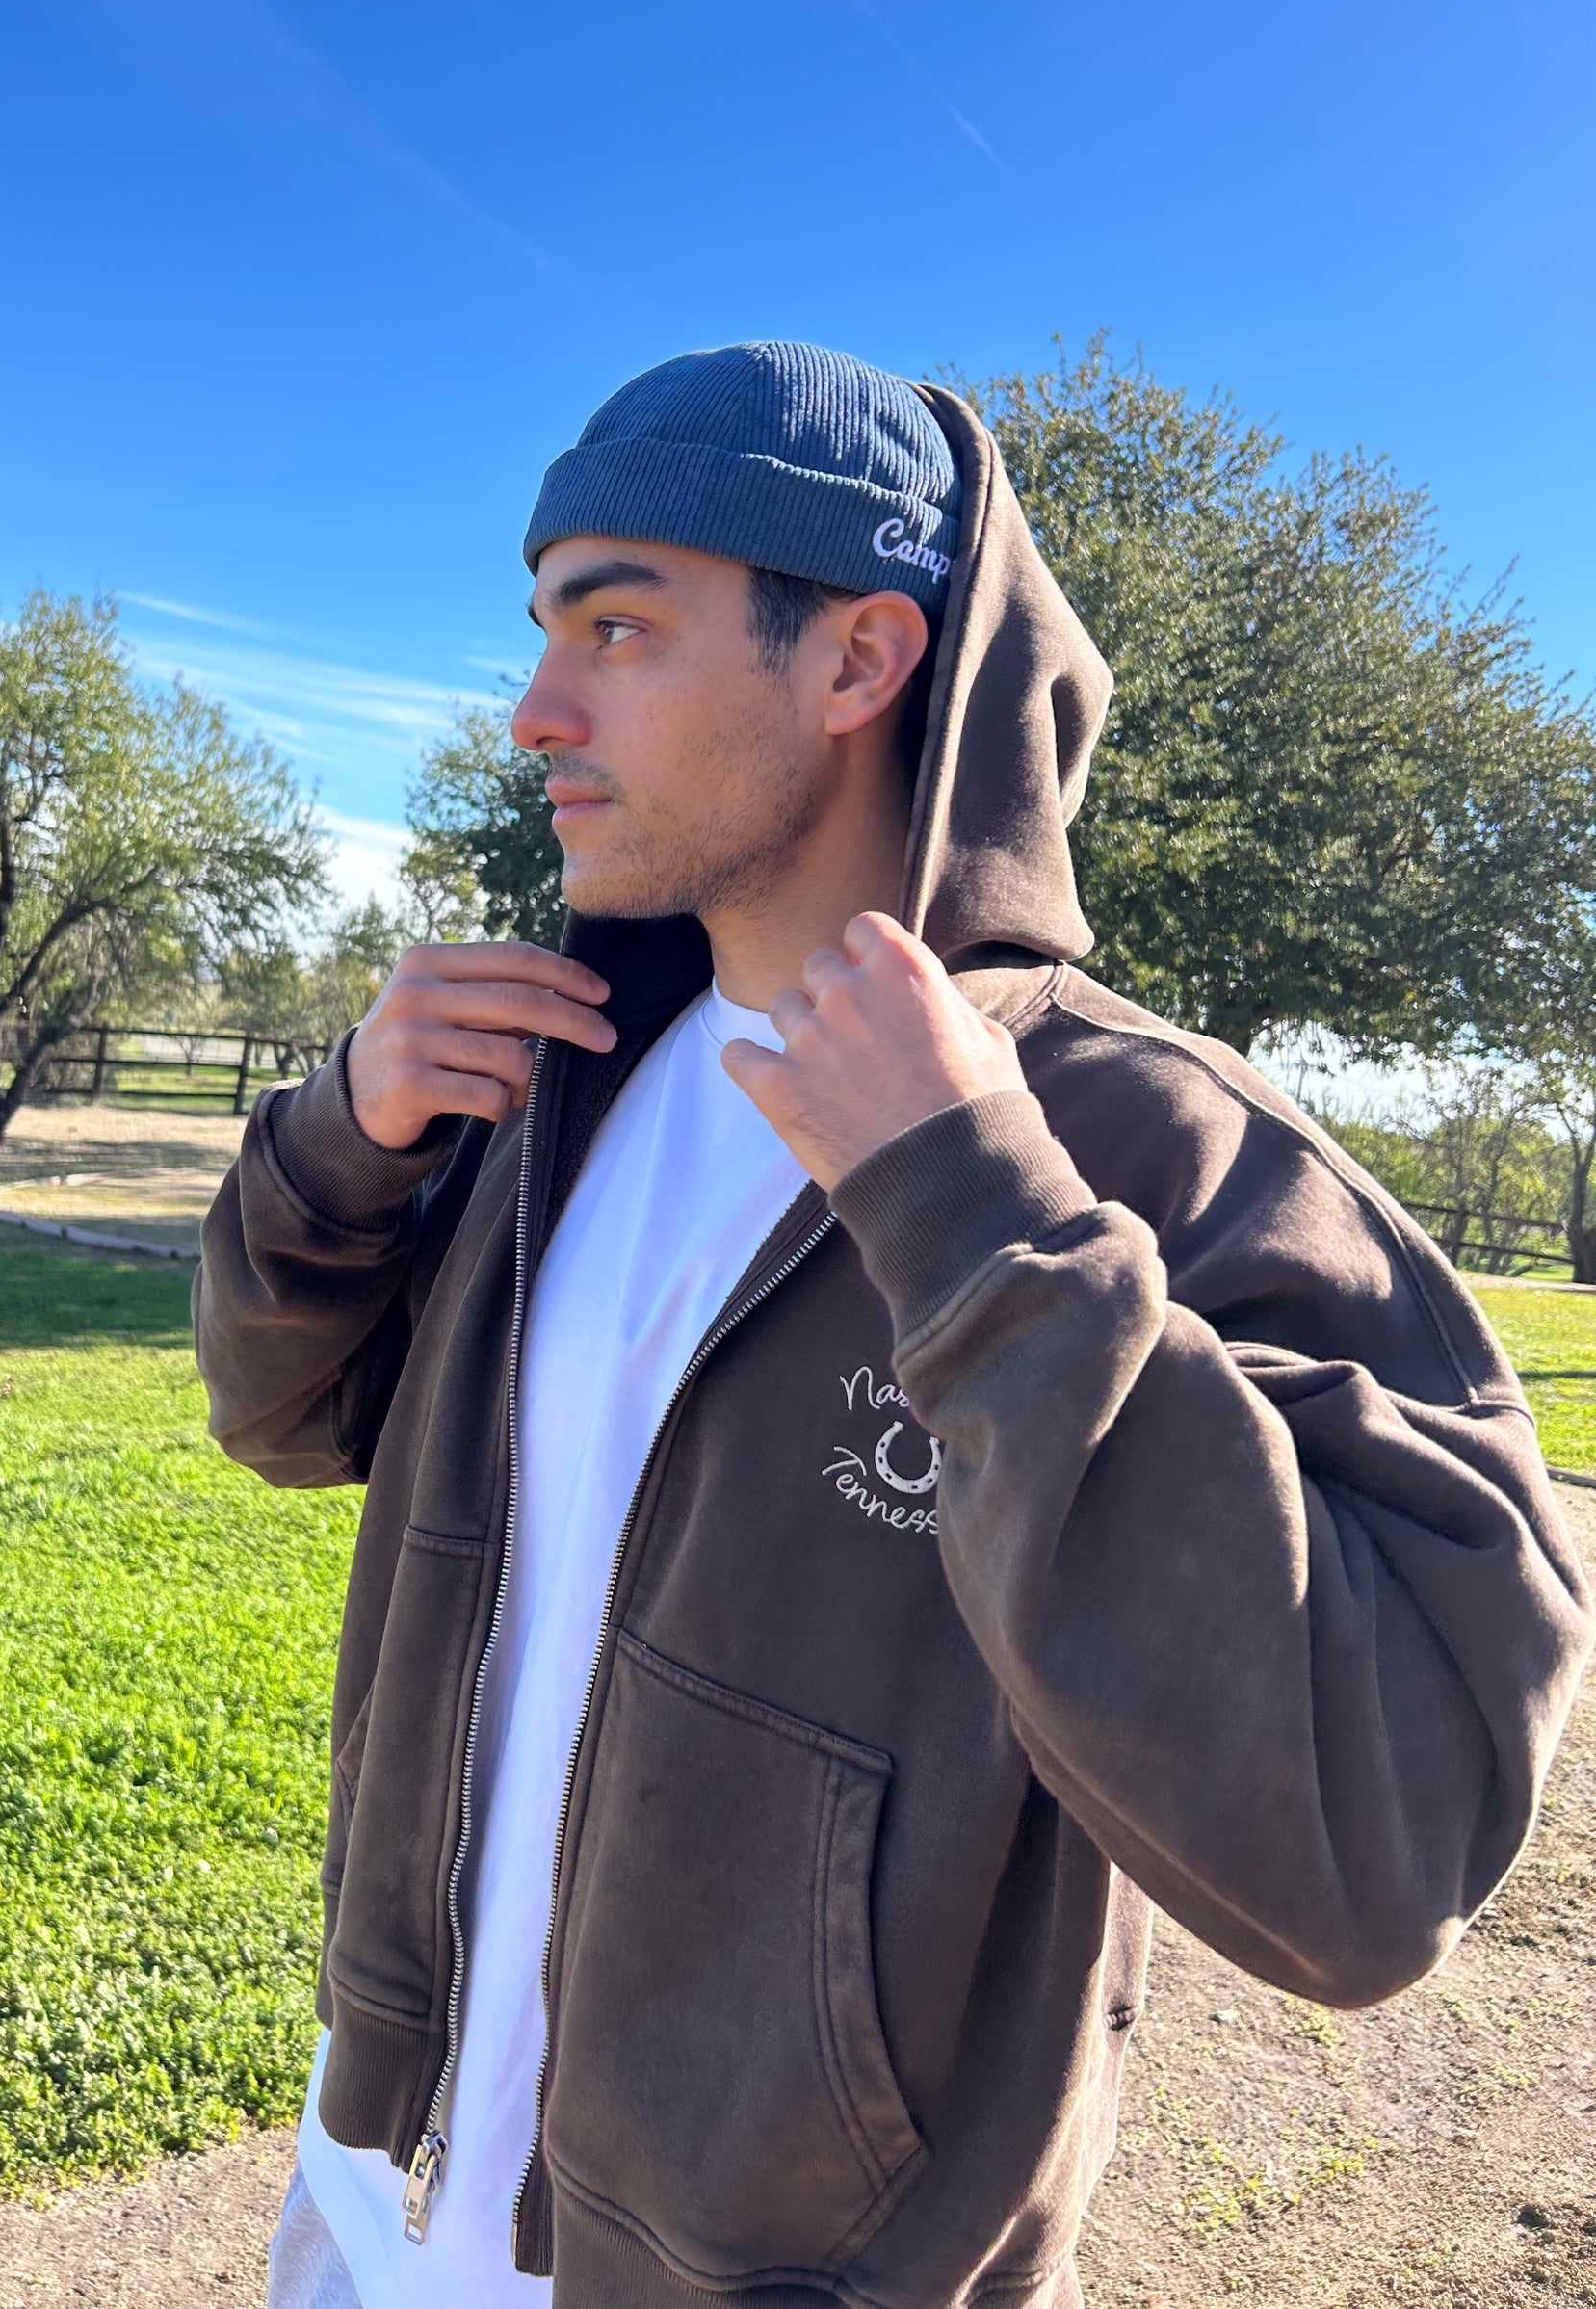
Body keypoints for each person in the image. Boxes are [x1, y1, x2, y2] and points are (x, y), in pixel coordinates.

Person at [194, 342, 1591, 2309]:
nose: (534, 712)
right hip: (373, 2197)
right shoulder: (558, 1071)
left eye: (615, 627)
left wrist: (975, 1214)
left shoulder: (1150, 1150)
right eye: (543, 631)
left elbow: (1378, 1854)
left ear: (857, 660)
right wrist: (336, 1144)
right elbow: (277, 1418)